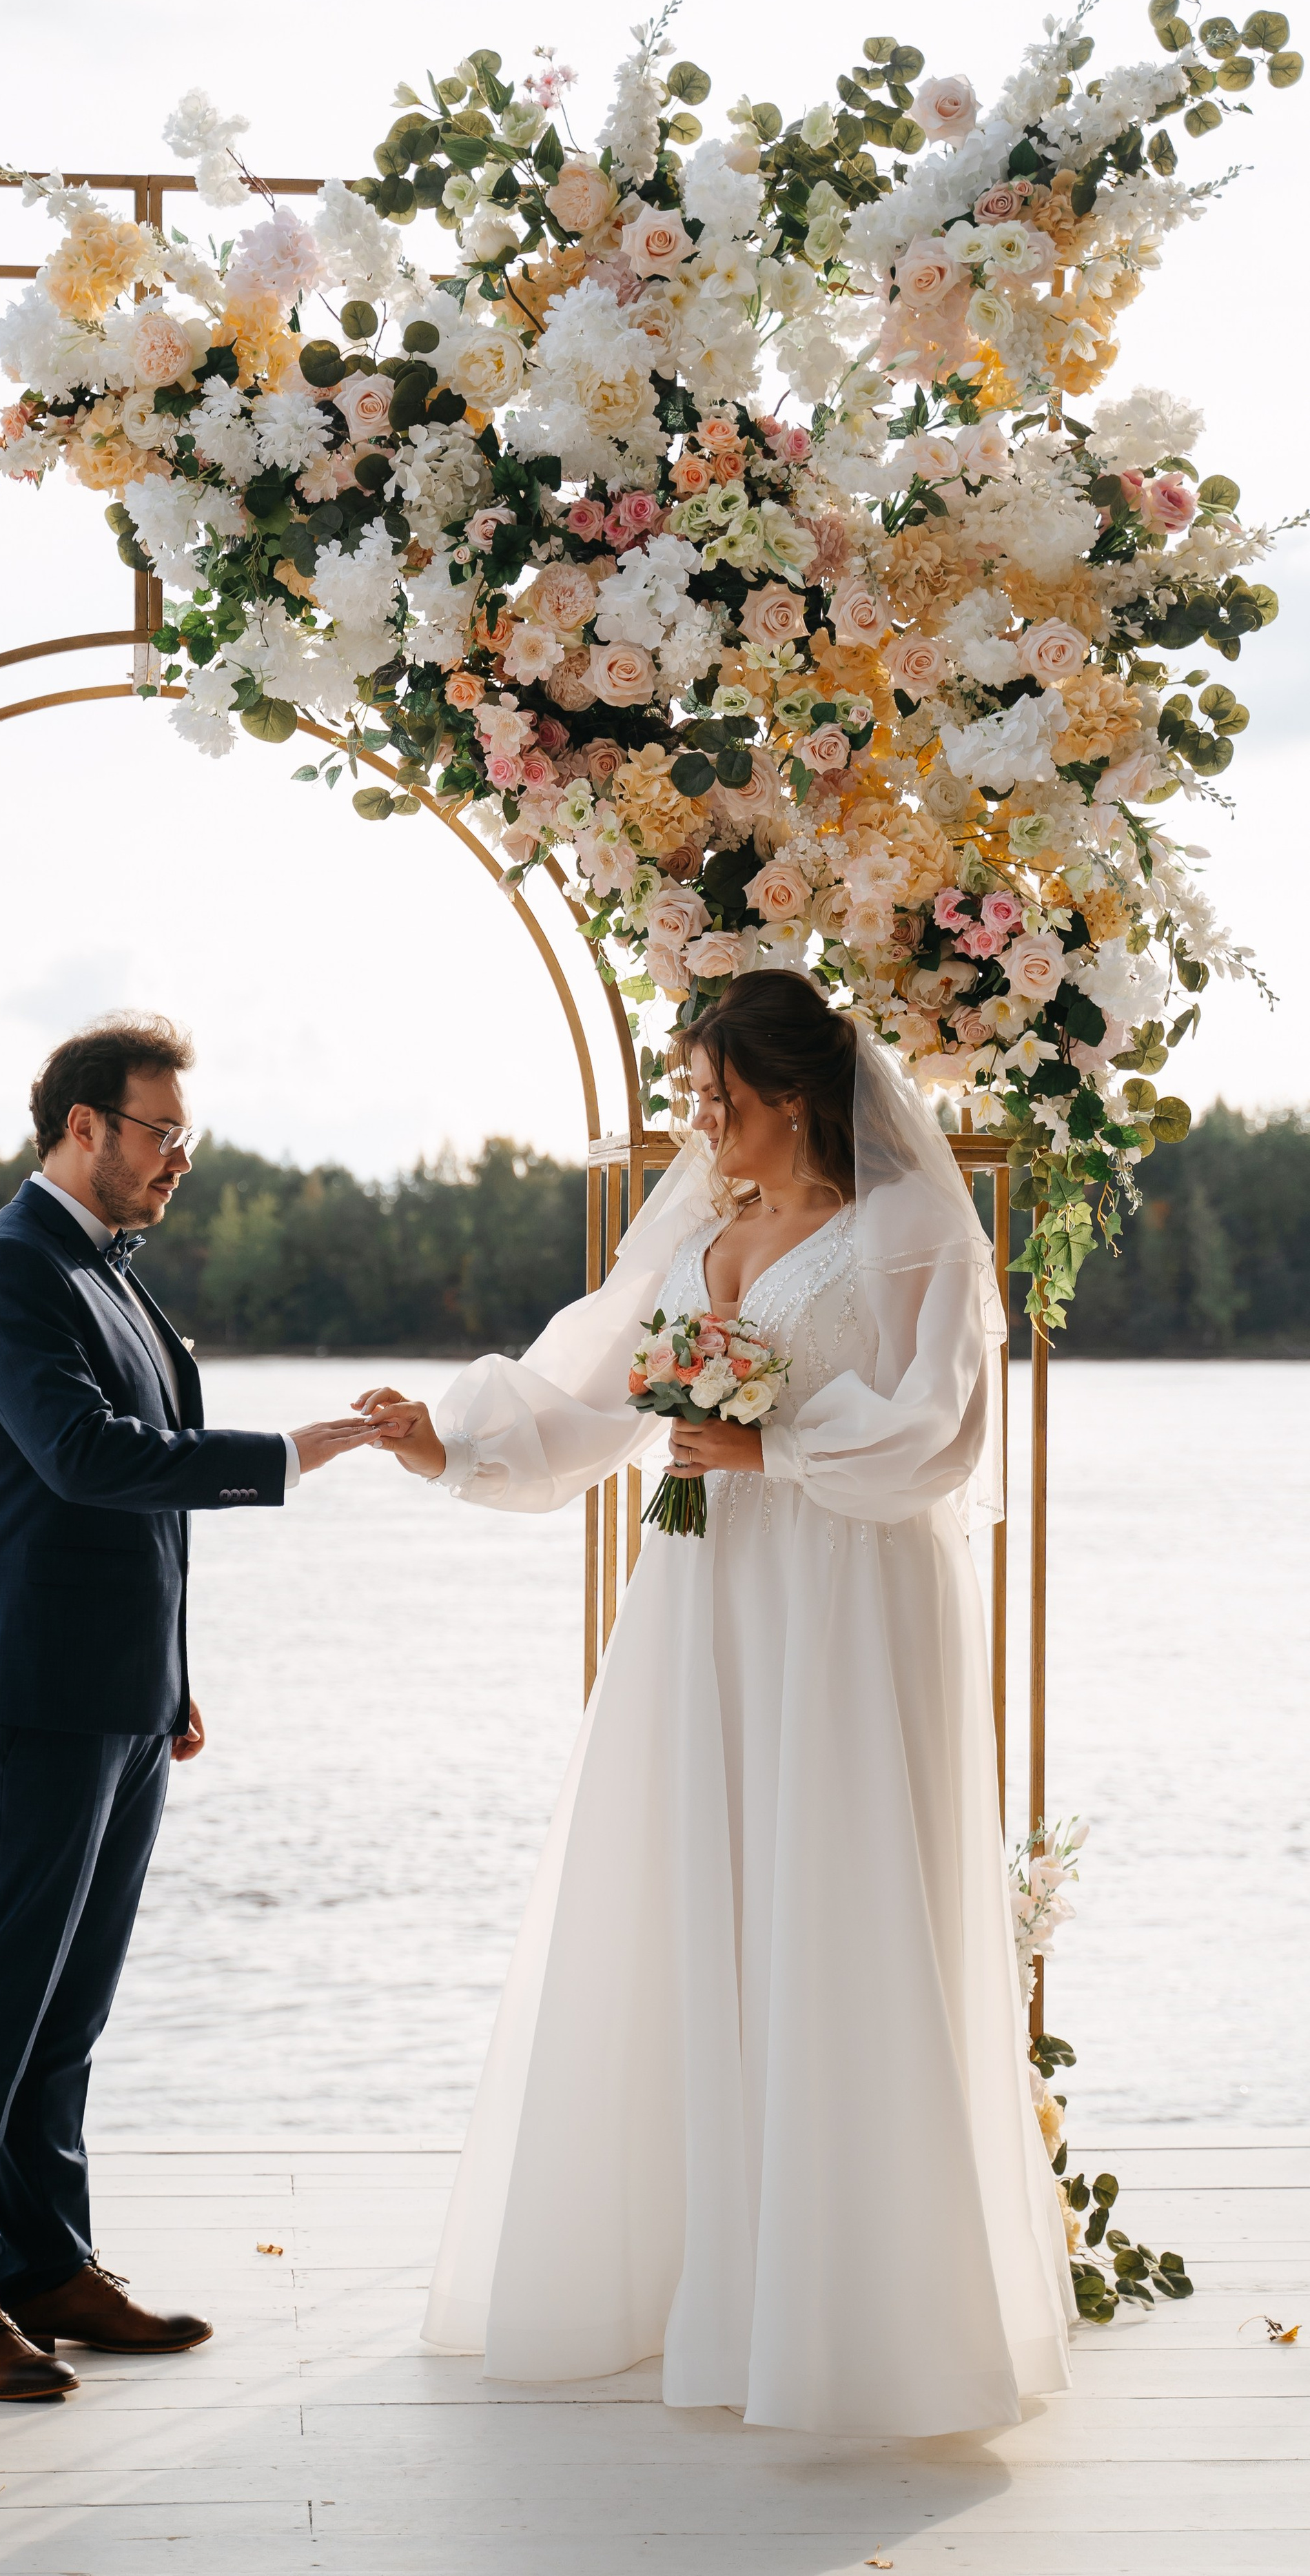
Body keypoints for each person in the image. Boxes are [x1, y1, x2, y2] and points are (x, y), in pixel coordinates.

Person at [358, 973, 1073, 2435]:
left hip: (843, 1596)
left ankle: (854, 2308)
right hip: (701, 1596)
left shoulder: (912, 1235)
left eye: (715, 1093)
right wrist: (452, 1443)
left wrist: (782, 1456)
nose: (698, 1120)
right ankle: (694, 2270)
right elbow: (593, 1385)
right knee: (690, 1890)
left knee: (835, 1897)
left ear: (789, 1092)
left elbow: (939, 1431)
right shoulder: (693, 1230)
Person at [0, 1012, 372, 2402]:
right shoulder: (8, 1268)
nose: (179, 1160)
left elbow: (130, 1516)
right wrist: (291, 1452)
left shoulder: (112, 1276)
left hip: (118, 1694)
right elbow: (88, 1460)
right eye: (161, 1132)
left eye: (185, 1137)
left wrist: (169, 1678)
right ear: (84, 1124)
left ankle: (44, 2262)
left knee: (69, 2005)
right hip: (26, 1693)